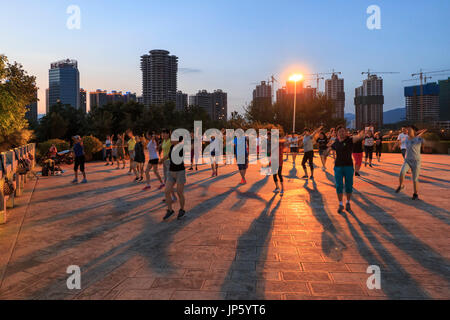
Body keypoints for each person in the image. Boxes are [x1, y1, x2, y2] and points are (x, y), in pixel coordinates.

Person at [326, 126, 365, 213]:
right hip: (338, 167)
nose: (342, 133)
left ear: (346, 132)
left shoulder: (349, 140)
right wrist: (328, 148)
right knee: (339, 186)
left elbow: (359, 137)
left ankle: (348, 202)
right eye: (340, 131)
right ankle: (340, 204)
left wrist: (362, 134)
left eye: (343, 131)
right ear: (337, 133)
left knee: (348, 186)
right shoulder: (335, 142)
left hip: (348, 166)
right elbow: (328, 150)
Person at [396, 126, 427, 200]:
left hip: (416, 161)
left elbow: (424, 141)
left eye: (409, 130)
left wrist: (421, 135)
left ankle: (415, 194)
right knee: (401, 173)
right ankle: (401, 185)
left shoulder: (418, 139)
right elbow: (400, 141)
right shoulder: (406, 138)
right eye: (407, 130)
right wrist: (396, 144)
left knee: (415, 179)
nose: (408, 132)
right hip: (407, 160)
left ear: (414, 132)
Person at [163, 136, 186, 220]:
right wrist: (161, 160)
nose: (171, 139)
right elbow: (168, 155)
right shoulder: (172, 146)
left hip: (180, 172)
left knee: (179, 192)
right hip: (171, 172)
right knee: (166, 191)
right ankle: (170, 210)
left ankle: (182, 209)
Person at [159, 129, 177, 202]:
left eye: (164, 134)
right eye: (162, 134)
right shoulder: (164, 141)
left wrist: (162, 159)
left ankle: (172, 197)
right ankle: (170, 196)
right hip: (165, 162)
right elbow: (163, 149)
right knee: (166, 180)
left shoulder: (170, 141)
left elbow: (170, 152)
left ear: (168, 134)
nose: (162, 135)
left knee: (169, 181)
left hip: (169, 161)